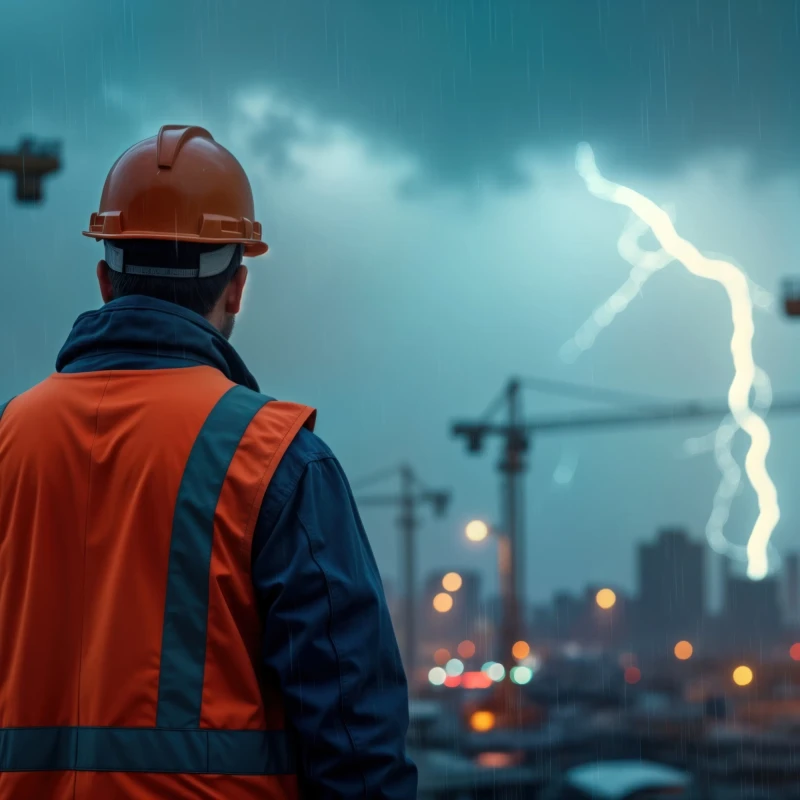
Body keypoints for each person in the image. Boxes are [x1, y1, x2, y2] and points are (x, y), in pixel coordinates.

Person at [0, 125, 417, 799]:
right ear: (237, 288)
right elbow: (354, 736)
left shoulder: (11, 438)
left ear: (106, 278)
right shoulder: (276, 459)